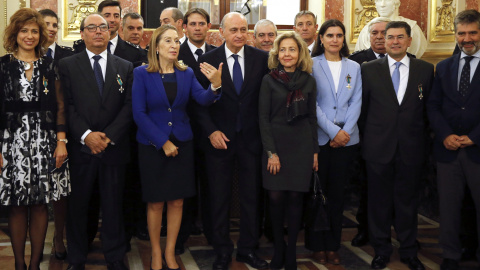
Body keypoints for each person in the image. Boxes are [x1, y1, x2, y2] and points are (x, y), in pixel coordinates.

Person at [132, 23, 221, 270]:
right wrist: (162, 142)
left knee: (177, 202)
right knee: (156, 202)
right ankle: (156, 252)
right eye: (168, 41)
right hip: (152, 145)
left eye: (176, 41)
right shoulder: (142, 73)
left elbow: (202, 100)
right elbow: (139, 114)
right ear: (156, 47)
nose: (174, 45)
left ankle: (170, 252)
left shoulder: (187, 73)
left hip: (182, 144)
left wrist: (215, 85)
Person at [59, 13, 133, 270]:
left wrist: (109, 136)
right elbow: (66, 105)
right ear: (82, 34)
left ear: (111, 32)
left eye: (103, 27)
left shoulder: (124, 66)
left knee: (113, 206)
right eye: (92, 28)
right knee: (78, 206)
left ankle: (114, 256)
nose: (99, 31)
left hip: (113, 148)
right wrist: (86, 136)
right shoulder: (68, 65)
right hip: (81, 148)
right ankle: (77, 257)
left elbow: (129, 106)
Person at [196, 12, 269, 270]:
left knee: (251, 197)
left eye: (243, 29)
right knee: (219, 197)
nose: (239, 34)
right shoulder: (207, 60)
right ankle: (222, 250)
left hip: (252, 139)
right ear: (221, 32)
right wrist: (211, 131)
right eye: (234, 30)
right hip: (219, 140)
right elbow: (198, 103)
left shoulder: (262, 59)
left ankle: (248, 249)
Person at [360, 21, 434, 270]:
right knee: (378, 202)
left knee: (407, 202)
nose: (393, 41)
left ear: (408, 40)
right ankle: (381, 249)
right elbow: (363, 111)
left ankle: (409, 250)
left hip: (411, 149)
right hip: (377, 148)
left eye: (399, 37)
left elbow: (428, 112)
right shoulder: (369, 69)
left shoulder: (425, 69)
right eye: (389, 37)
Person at [0, 8, 69, 270]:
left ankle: (35, 265)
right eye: (24, 30)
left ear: (41, 36)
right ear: (15, 33)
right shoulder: (3, 66)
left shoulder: (51, 66)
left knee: (41, 204)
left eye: (34, 31)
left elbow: (60, 107)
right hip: (11, 142)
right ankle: (19, 264)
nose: (29, 36)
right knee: (17, 206)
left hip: (45, 142)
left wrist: (61, 141)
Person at [258, 32, 318, 270]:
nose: (287, 54)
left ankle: (291, 251)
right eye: (282, 49)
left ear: (300, 53)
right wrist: (271, 153)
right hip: (275, 147)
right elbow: (263, 119)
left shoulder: (308, 80)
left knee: (295, 199)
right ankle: (278, 250)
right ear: (276, 53)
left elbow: (312, 118)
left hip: (302, 147)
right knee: (275, 198)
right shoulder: (268, 80)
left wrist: (314, 152)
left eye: (292, 49)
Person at [305, 19, 362, 266]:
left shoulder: (354, 67)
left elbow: (356, 101)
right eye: (330, 35)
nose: (335, 40)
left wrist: (345, 132)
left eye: (339, 35)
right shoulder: (311, 65)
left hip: (347, 141)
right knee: (318, 195)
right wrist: (332, 132)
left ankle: (333, 245)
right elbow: (311, 104)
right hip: (319, 139)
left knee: (338, 197)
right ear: (321, 38)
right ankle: (316, 245)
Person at [427, 9, 480, 270]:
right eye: (462, 33)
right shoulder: (445, 66)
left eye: (473, 32)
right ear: (456, 35)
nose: (467, 38)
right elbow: (433, 106)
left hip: (478, 148)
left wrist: (473, 137)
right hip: (447, 149)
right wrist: (446, 134)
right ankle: (450, 254)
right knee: (448, 208)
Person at [177, 7, 217, 254]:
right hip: (184, 131)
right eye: (193, 24)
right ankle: (180, 237)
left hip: (212, 132)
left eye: (202, 23)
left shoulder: (216, 53)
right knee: (183, 187)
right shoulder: (175, 52)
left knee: (212, 186)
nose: (198, 28)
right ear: (185, 27)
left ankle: (213, 234)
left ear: (208, 27)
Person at [348, 16, 390, 248]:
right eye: (375, 33)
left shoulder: (409, 60)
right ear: (369, 35)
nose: (380, 37)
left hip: (394, 136)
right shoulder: (356, 62)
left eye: (385, 32)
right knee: (366, 186)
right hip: (365, 135)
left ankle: (394, 232)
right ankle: (364, 229)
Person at [38, 8, 75, 261]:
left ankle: (59, 237)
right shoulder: (22, 54)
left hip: (61, 129)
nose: (52, 28)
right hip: (33, 129)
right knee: (37, 190)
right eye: (46, 24)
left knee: (60, 190)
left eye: (55, 24)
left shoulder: (67, 55)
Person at [73, 0, 146, 66]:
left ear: (120, 19)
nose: (112, 20)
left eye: (116, 16)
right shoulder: (81, 47)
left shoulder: (134, 52)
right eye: (107, 15)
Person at [355, 0, 427, 58]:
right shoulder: (365, 30)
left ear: (396, 4)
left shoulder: (413, 29)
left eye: (387, 0)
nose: (382, 4)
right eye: (379, 0)